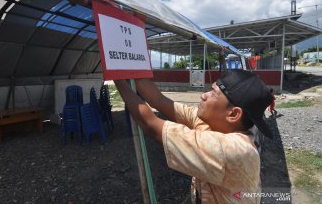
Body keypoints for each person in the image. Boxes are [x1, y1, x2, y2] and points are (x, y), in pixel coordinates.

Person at [114, 69, 273, 204]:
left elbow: (150, 124)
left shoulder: (233, 149)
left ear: (233, 114)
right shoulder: (213, 124)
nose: (204, 95)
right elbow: (159, 100)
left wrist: (116, 76)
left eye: (213, 93)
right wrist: (132, 68)